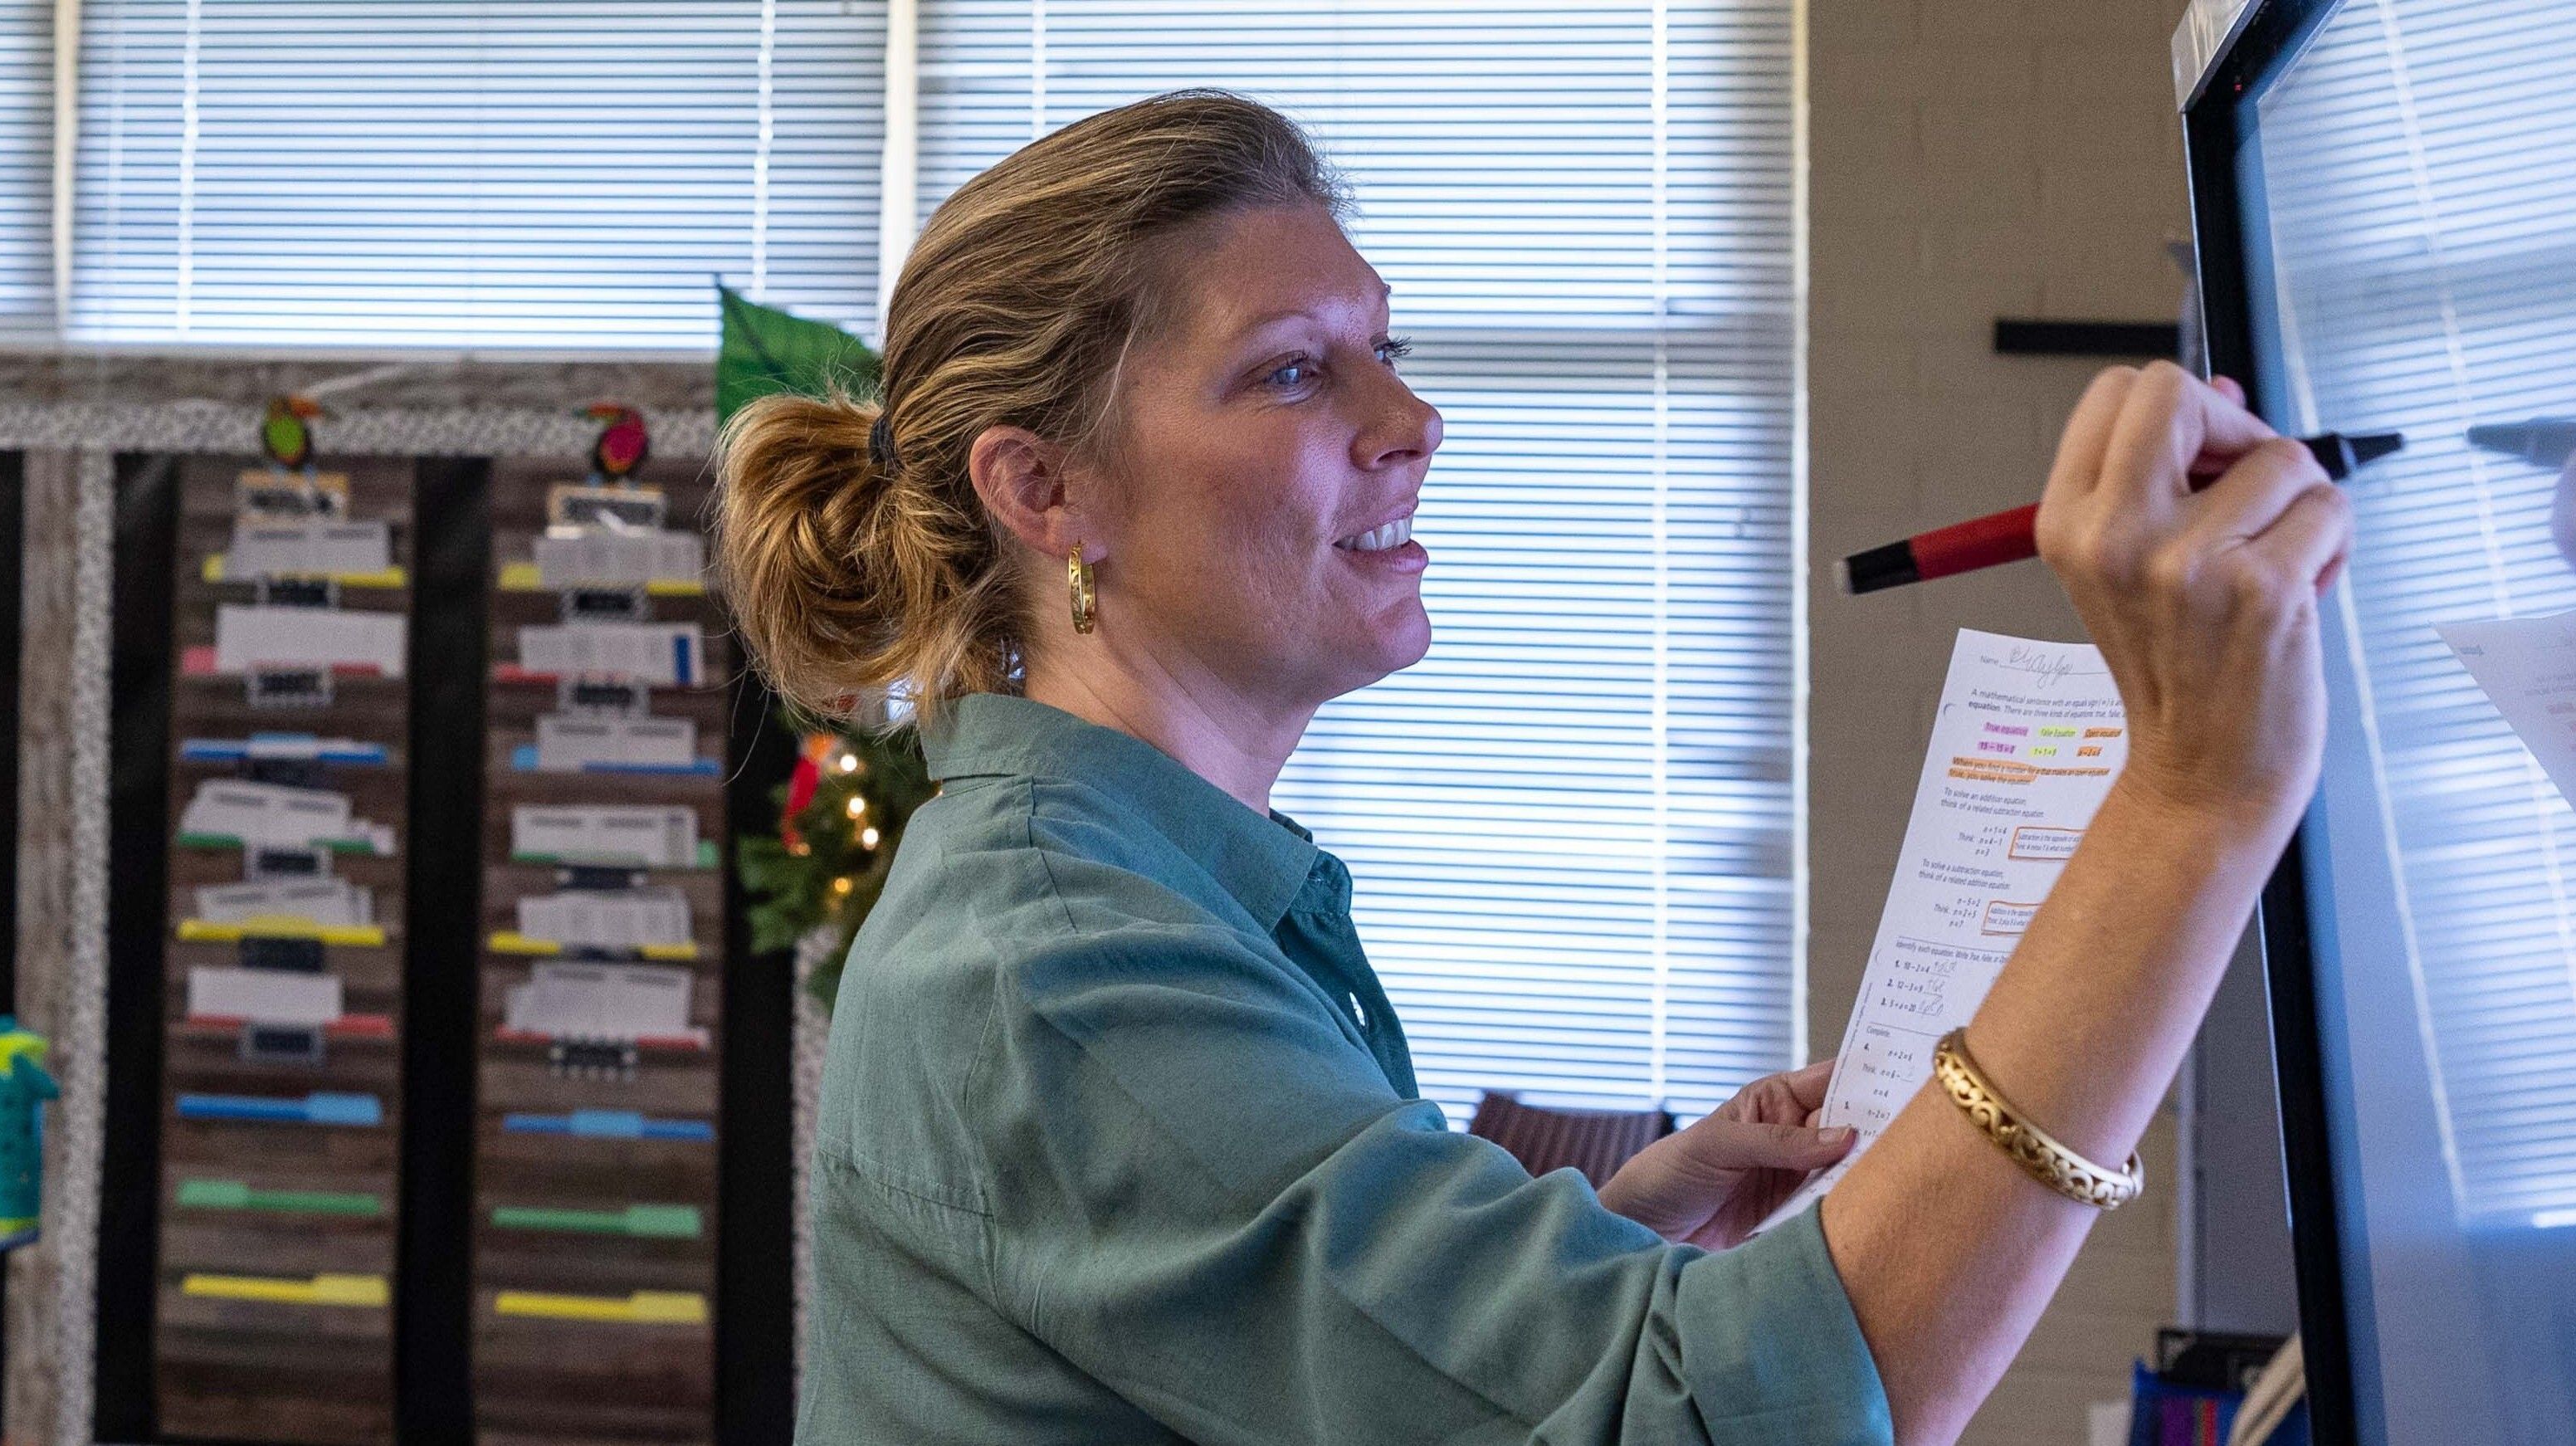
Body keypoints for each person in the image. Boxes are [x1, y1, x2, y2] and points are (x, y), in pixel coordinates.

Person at [716, 90, 2350, 1445]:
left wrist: (1612, 1229)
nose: (1411, 415)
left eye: (1386, 345)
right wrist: (2191, 803)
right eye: (1292, 368)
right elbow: (1712, 1422)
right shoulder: (1056, 965)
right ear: (1044, 491)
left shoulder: (1141, 890)